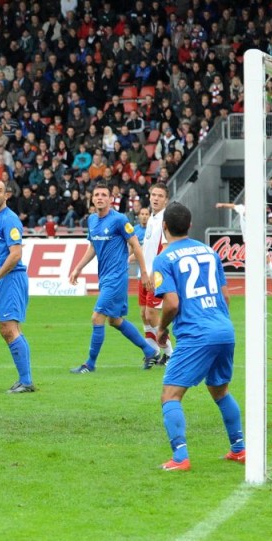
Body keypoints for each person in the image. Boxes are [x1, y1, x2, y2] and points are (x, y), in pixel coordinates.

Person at [153, 202, 244, 471]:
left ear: (164, 226)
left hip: (197, 333)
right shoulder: (209, 251)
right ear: (190, 225)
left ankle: (180, 457)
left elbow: (171, 303)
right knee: (220, 390)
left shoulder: (164, 258)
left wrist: (160, 328)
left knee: (170, 395)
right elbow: (225, 296)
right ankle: (239, 449)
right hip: (223, 328)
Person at [68, 182, 160, 373]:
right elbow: (92, 247)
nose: (100, 198)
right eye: (97, 195)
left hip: (117, 277)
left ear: (110, 199)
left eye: (104, 195)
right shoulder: (92, 220)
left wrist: (143, 272)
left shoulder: (119, 220)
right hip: (104, 277)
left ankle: (90, 364)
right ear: (92, 199)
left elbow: (136, 245)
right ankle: (149, 350)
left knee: (97, 318)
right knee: (114, 320)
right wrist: (77, 268)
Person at [0, 180, 35, 393]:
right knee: (9, 329)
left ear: (6, 195)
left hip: (11, 278)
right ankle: (25, 380)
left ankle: (26, 381)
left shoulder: (10, 219)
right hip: (2, 281)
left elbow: (15, 254)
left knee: (9, 329)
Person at [139, 183, 174, 368]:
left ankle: (170, 353)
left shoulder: (165, 219)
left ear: (166, 199)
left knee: (151, 313)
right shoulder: (151, 218)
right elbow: (149, 246)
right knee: (143, 315)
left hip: (156, 275)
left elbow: (165, 248)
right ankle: (153, 353)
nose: (156, 198)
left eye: (160, 196)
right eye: (153, 194)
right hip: (145, 273)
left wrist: (153, 273)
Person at [215, 201, 272, 295]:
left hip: (258, 240)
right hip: (248, 242)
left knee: (267, 262)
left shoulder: (256, 212)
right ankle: (262, 289)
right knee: (255, 266)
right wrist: (222, 205)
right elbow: (233, 206)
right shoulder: (241, 208)